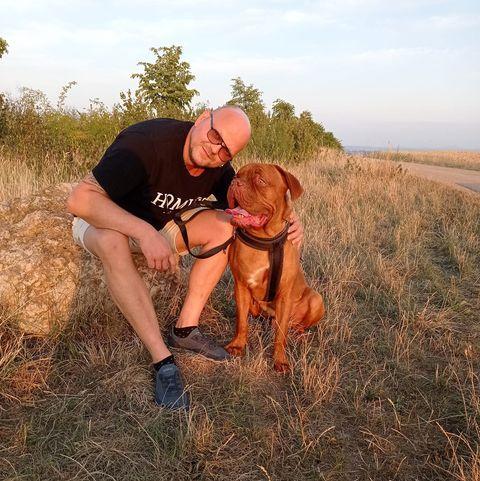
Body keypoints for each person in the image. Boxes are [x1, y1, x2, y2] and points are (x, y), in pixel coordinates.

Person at [66, 106, 303, 410]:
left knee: (226, 223)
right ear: (204, 117)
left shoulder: (217, 166)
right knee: (114, 242)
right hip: (106, 221)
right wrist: (143, 232)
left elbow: (247, 206)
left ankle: (185, 329)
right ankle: (162, 360)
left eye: (226, 151)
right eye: (215, 135)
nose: (215, 150)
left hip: (162, 226)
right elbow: (80, 199)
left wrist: (290, 221)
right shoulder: (145, 144)